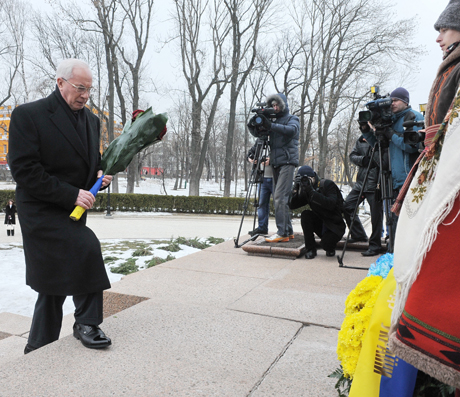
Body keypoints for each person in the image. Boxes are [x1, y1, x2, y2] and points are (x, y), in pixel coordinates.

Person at [8, 58, 113, 354]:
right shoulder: (29, 115)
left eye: (89, 89)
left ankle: (38, 346)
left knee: (53, 281)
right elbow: (24, 170)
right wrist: (71, 194)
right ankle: (87, 323)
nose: (85, 95)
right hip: (42, 210)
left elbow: (91, 163)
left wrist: (99, 176)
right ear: (60, 83)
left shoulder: (92, 121)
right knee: (87, 247)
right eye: (80, 88)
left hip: (73, 210)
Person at [389, 0, 460, 390]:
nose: (438, 36)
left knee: (438, 291)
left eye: (446, 28)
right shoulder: (453, 62)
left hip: (451, 192)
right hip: (436, 179)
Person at [360, 87, 424, 232]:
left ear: (405, 101)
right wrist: (367, 131)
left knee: (409, 221)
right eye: (391, 101)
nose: (392, 103)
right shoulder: (391, 121)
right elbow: (379, 146)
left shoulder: (413, 116)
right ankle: (393, 249)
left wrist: (390, 133)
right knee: (395, 222)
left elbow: (411, 146)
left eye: (396, 100)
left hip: (409, 178)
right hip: (393, 180)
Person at [253, 93, 299, 243]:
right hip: (276, 163)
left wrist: (271, 125)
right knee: (281, 199)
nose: (274, 108)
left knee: (279, 197)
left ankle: (282, 232)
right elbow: (258, 134)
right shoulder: (272, 121)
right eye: (272, 106)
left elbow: (291, 130)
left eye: (276, 105)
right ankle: (288, 231)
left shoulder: (293, 119)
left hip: (287, 162)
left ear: (283, 104)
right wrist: (260, 124)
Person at [289, 166, 345, 259]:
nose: (305, 182)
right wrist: (295, 189)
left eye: (306, 179)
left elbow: (331, 204)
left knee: (326, 245)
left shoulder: (327, 185)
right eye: (302, 180)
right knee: (306, 215)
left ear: (314, 177)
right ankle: (311, 249)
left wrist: (312, 192)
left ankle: (329, 246)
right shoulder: (306, 190)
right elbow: (292, 206)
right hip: (321, 223)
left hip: (334, 225)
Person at [343, 136, 383, 257]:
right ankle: (358, 234)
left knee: (376, 216)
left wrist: (373, 159)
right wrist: (363, 160)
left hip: (376, 184)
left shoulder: (381, 138)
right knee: (347, 206)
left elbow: (384, 160)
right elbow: (352, 156)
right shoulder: (361, 140)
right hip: (360, 183)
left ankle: (375, 245)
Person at [247, 139, 273, 236]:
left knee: (280, 205)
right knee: (261, 204)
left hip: (276, 178)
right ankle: (262, 228)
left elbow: (282, 157)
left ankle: (284, 230)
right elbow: (250, 153)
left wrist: (271, 160)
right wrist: (250, 158)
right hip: (262, 178)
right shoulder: (260, 141)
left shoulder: (277, 140)